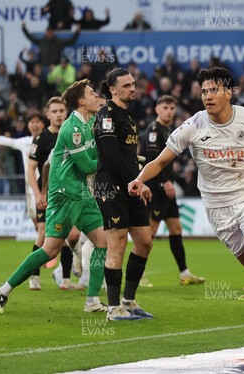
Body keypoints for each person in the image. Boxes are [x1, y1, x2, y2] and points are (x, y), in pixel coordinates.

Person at [128, 67, 244, 348]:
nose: (208, 96)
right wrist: (139, 178)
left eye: (214, 90)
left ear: (229, 92)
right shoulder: (192, 126)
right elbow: (161, 161)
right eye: (204, 91)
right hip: (217, 206)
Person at [0, 79, 109, 315]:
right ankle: (3, 289)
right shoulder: (72, 128)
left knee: (102, 242)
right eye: (92, 93)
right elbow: (87, 165)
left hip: (82, 194)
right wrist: (112, 163)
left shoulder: (89, 124)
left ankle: (92, 301)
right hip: (64, 196)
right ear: (81, 101)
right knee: (50, 250)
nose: (97, 96)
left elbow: (97, 154)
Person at [93, 68, 155, 321]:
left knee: (145, 241)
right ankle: (113, 308)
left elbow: (129, 156)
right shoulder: (106, 114)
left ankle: (129, 301)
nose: (132, 88)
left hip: (130, 185)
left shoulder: (128, 116)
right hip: (110, 187)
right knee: (117, 243)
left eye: (133, 84)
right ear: (112, 89)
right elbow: (110, 155)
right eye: (127, 85)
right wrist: (136, 181)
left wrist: (139, 179)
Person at [140, 95, 205, 285]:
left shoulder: (169, 130)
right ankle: (139, 273)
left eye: (171, 108)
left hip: (166, 189)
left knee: (176, 228)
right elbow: (153, 160)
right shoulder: (153, 131)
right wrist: (165, 182)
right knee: (149, 233)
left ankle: (184, 272)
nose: (169, 111)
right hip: (156, 189)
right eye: (165, 108)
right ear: (157, 110)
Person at [26, 97, 78, 290]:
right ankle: (34, 276)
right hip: (47, 194)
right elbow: (31, 169)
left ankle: (65, 280)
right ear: (48, 115)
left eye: (61, 111)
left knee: (70, 235)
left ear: (66, 113)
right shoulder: (41, 139)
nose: (58, 115)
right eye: (54, 111)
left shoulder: (72, 135)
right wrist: (39, 194)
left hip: (70, 193)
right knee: (42, 236)